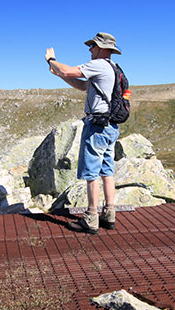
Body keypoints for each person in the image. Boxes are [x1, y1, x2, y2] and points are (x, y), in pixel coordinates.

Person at [45, 32, 122, 235]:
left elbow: (71, 71)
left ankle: (91, 217)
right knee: (107, 171)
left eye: (93, 46)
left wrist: (51, 60)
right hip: (110, 125)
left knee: (92, 174)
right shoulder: (113, 68)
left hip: (97, 126)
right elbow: (82, 85)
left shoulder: (99, 65)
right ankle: (109, 214)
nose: (90, 49)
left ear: (102, 48)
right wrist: (61, 74)